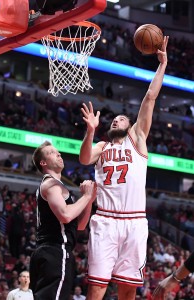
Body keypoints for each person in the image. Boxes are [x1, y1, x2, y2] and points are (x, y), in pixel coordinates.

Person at [79, 36, 169, 300]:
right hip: (105, 220)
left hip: (134, 221)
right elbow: (84, 159)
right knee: (96, 287)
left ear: (130, 126)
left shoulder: (137, 139)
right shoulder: (102, 147)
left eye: (122, 118)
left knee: (128, 289)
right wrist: (90, 131)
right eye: (114, 119)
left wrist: (162, 64)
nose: (117, 119)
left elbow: (150, 97)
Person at [29, 141, 97, 300]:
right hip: (54, 251)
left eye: (58, 151)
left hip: (52, 252)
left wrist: (88, 201)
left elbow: (79, 225)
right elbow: (65, 215)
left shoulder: (57, 186)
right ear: (43, 163)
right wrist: (86, 196)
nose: (59, 154)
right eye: (52, 152)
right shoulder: (51, 184)